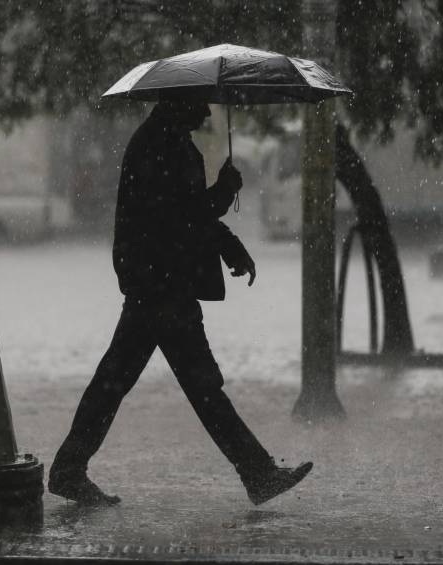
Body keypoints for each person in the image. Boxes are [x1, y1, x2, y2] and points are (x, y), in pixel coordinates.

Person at [48, 99, 313, 506]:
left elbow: (187, 213)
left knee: (119, 381)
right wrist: (223, 193)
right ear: (179, 102)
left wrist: (228, 243)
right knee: (196, 385)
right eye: (199, 103)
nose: (206, 113)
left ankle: (69, 469)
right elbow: (180, 216)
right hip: (160, 283)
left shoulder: (169, 142)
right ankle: (257, 473)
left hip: (161, 281)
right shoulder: (157, 145)